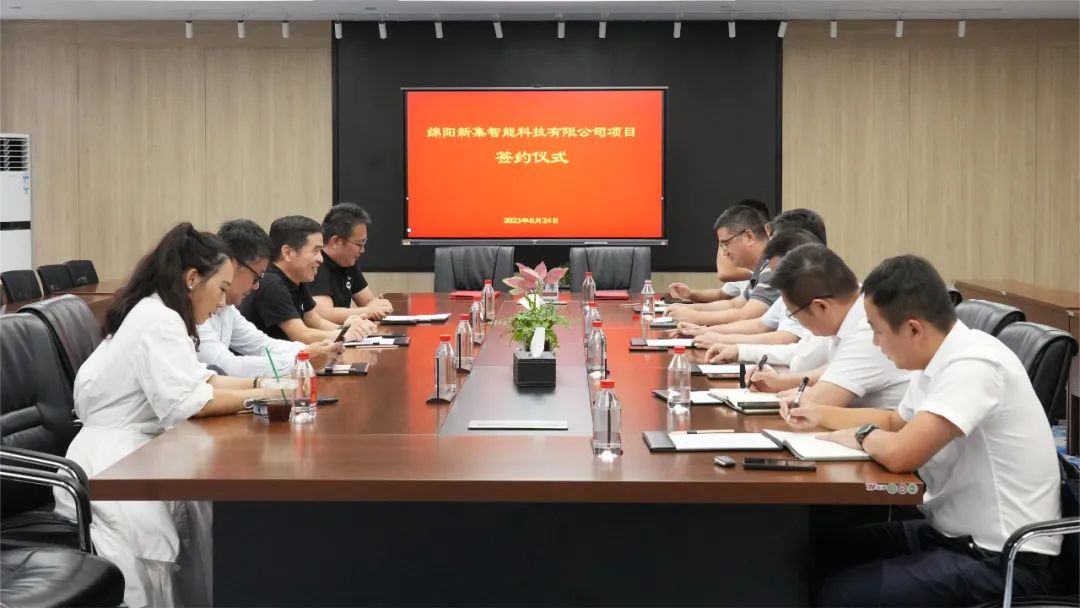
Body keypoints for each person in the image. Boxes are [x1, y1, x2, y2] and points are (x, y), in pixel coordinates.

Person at [788, 255, 1061, 606]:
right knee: (816, 552)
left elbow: (902, 454)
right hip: (951, 535)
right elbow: (894, 423)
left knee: (841, 596)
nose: (875, 343)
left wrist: (860, 434)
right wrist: (818, 414)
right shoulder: (937, 357)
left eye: (877, 330)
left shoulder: (974, 364)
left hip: (1003, 559)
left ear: (913, 329)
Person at [53, 223, 288, 607]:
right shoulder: (158, 319)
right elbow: (189, 402)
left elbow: (201, 379)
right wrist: (265, 395)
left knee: (197, 527)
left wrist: (266, 384)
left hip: (135, 452)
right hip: (113, 467)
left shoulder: (161, 312)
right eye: (222, 289)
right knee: (154, 573)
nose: (224, 303)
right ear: (192, 279)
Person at [748, 243, 911, 407]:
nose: (798, 321)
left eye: (793, 314)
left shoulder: (869, 331)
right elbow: (839, 371)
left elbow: (816, 402)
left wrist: (789, 389)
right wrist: (781, 382)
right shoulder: (851, 307)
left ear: (820, 306)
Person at [197, 219, 343, 376]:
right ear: (233, 265)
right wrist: (301, 359)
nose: (256, 286)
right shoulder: (194, 309)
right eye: (257, 277)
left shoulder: (228, 308)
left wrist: (314, 351)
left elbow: (262, 345)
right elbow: (226, 366)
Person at [239, 215, 375, 343]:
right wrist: (344, 334)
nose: (321, 259)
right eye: (316, 251)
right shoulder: (272, 284)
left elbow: (316, 321)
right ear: (288, 253)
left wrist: (349, 329)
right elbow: (301, 335)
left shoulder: (297, 279)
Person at [667, 204, 779, 326]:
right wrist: (688, 309)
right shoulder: (760, 269)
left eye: (726, 243)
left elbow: (745, 315)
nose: (725, 253)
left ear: (749, 237)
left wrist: (695, 317)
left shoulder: (773, 268)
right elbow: (734, 304)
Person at [310, 203, 394, 323]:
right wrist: (369, 311)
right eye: (359, 244)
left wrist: (381, 306)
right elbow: (324, 314)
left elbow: (369, 302)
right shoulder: (315, 264)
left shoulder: (348, 262)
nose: (363, 250)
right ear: (335, 241)